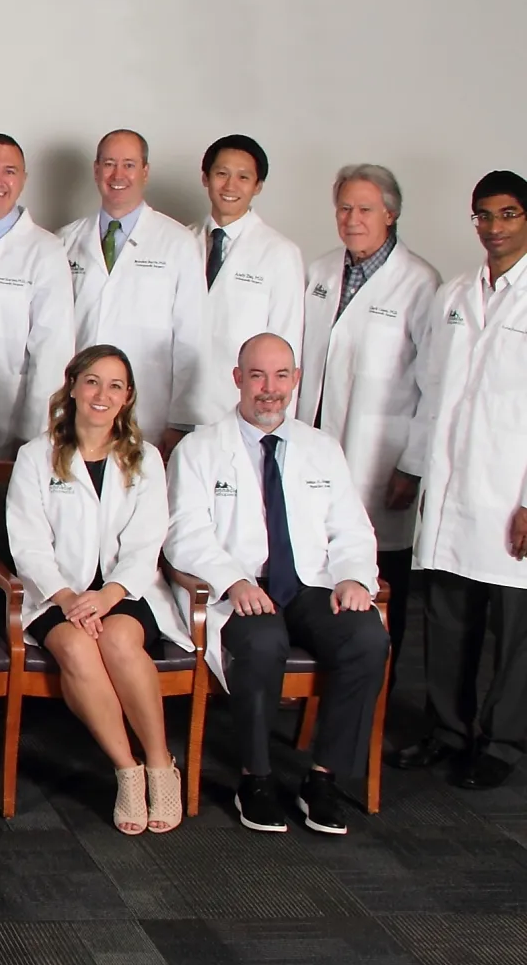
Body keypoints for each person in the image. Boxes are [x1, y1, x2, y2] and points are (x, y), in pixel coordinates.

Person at [164, 334, 384, 834]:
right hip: (242, 584)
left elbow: (352, 528)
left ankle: (323, 778)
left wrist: (353, 577)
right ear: (238, 379)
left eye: (281, 376)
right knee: (263, 643)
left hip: (312, 582)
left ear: (297, 381)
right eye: (258, 376)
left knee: (368, 639)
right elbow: (184, 534)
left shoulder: (322, 449)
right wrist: (234, 582)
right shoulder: (199, 449)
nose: (270, 389)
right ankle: (256, 777)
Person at [6, 345, 185, 834]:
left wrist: (108, 596)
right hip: (56, 595)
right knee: (79, 651)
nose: (101, 394)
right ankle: (127, 769)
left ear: (127, 398)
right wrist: (67, 598)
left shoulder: (144, 458)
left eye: (115, 386)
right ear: (72, 387)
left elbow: (148, 540)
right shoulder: (35, 456)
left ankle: (159, 764)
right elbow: (28, 542)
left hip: (124, 591)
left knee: (118, 640)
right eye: (92, 381)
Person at [393, 170, 527, 789]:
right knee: (447, 617)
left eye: (507, 215)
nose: (494, 229)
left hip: (510, 491)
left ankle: (501, 739)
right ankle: (449, 730)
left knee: (514, 625)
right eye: (483, 216)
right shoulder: (452, 295)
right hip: (451, 486)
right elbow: (431, 394)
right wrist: (416, 470)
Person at [300, 164, 438, 688]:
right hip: (315, 445)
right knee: (317, 569)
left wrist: (413, 463)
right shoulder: (319, 272)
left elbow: (434, 383)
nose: (352, 219)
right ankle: (314, 686)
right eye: (344, 208)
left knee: (380, 577)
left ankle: (375, 689)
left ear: (391, 213)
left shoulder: (420, 283)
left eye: (364, 209)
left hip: (381, 457)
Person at [56, 130, 205, 447]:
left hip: (148, 410)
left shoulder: (178, 242)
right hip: (79, 410)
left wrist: (181, 420)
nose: (118, 175)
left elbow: (191, 337)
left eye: (129, 165)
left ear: (145, 172)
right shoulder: (65, 241)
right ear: (96, 170)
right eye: (109, 164)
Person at [0, 134, 74, 459]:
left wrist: (34, 435)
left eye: (9, 171)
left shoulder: (45, 251)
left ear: (23, 180)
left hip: (11, 425)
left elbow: (52, 351)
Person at [187, 135, 306, 425]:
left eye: (243, 177)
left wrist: (276, 426)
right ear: (205, 178)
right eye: (221, 174)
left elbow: (286, 346)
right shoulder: (181, 242)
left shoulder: (280, 253)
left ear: (258, 186)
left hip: (240, 413)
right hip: (177, 408)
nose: (230, 186)